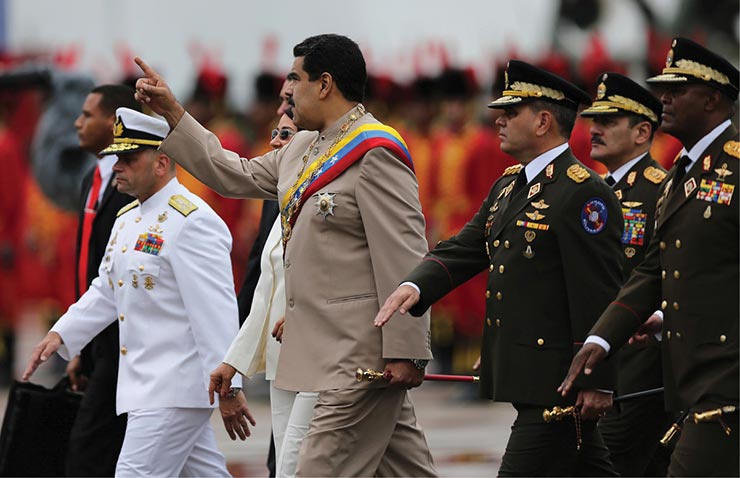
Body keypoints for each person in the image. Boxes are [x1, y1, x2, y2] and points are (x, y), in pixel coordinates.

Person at [134, 33, 436, 477]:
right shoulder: (301, 147)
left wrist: (407, 351)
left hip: (356, 360)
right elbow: (229, 172)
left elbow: (405, 257)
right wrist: (174, 114)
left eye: (295, 78)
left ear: (325, 84)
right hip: (316, 355)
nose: (288, 91)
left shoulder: (375, 151)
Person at [375, 60, 623, 477]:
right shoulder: (509, 185)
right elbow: (467, 247)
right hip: (529, 377)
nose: (499, 119)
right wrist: (417, 286)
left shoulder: (583, 193)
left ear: (544, 121)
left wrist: (599, 379)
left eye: (512, 112)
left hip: (556, 384)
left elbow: (599, 292)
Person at [22, 107, 245, 477]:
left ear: (161, 163)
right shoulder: (127, 219)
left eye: (129, 157)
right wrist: (62, 332)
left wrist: (230, 387)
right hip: (148, 385)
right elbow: (107, 290)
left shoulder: (193, 221)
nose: (117, 166)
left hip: (173, 388)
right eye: (116, 157)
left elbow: (215, 312)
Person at [560, 37, 739, 477]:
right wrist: (602, 339)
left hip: (727, 379)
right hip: (692, 380)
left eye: (677, 91)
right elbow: (658, 269)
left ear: (712, 99)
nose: (664, 100)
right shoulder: (683, 174)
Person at [213, 113, 317, 478]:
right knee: (286, 466)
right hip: (281, 362)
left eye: (285, 134)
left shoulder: (327, 198)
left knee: (294, 465)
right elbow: (266, 292)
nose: (273, 142)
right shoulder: (282, 201)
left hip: (321, 358)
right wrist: (234, 362)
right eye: (274, 132)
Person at [580, 72, 672, 476]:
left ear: (641, 132)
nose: (594, 129)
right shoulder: (591, 190)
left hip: (638, 367)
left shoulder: (661, 191)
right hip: (592, 359)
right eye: (594, 119)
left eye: (609, 121)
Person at [67, 84, 141, 477]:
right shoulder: (90, 183)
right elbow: (87, 267)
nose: (77, 123)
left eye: (88, 115)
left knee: (86, 453)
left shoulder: (131, 187)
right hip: (97, 341)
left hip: (124, 342)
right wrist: (79, 343)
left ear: (115, 124)